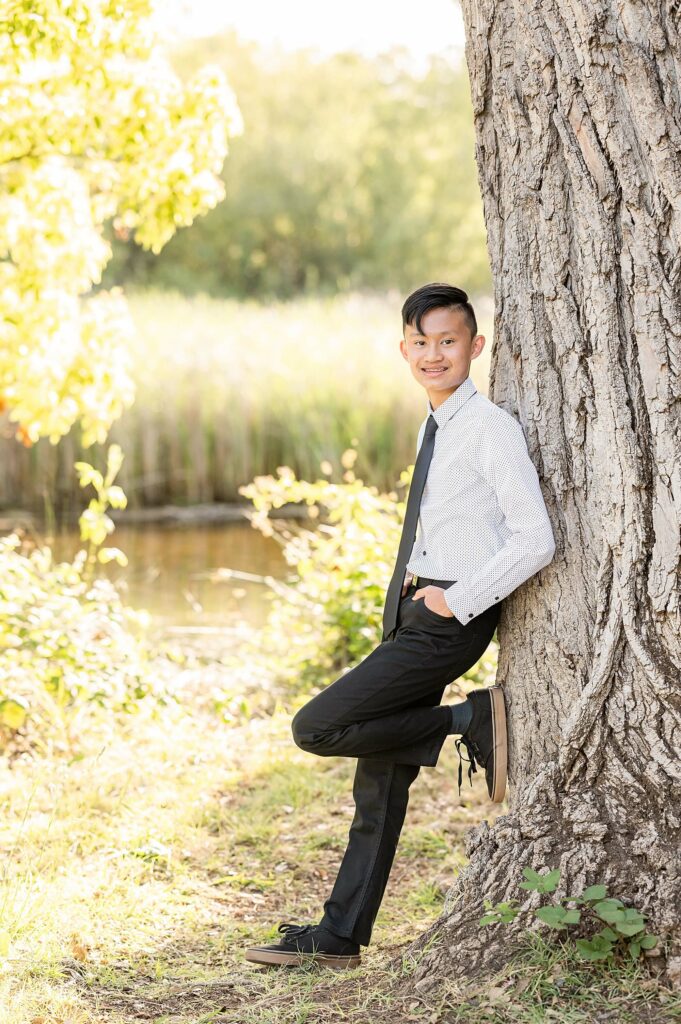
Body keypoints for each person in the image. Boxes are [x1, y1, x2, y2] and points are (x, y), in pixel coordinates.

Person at [245, 283, 556, 970]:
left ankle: (467, 720)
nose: (433, 353)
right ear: (403, 349)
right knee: (376, 787)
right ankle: (338, 937)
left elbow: (535, 538)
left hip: (446, 619)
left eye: (447, 340)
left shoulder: (489, 429)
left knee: (315, 727)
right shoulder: (434, 423)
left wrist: (456, 599)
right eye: (420, 342)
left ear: (475, 346)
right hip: (413, 609)